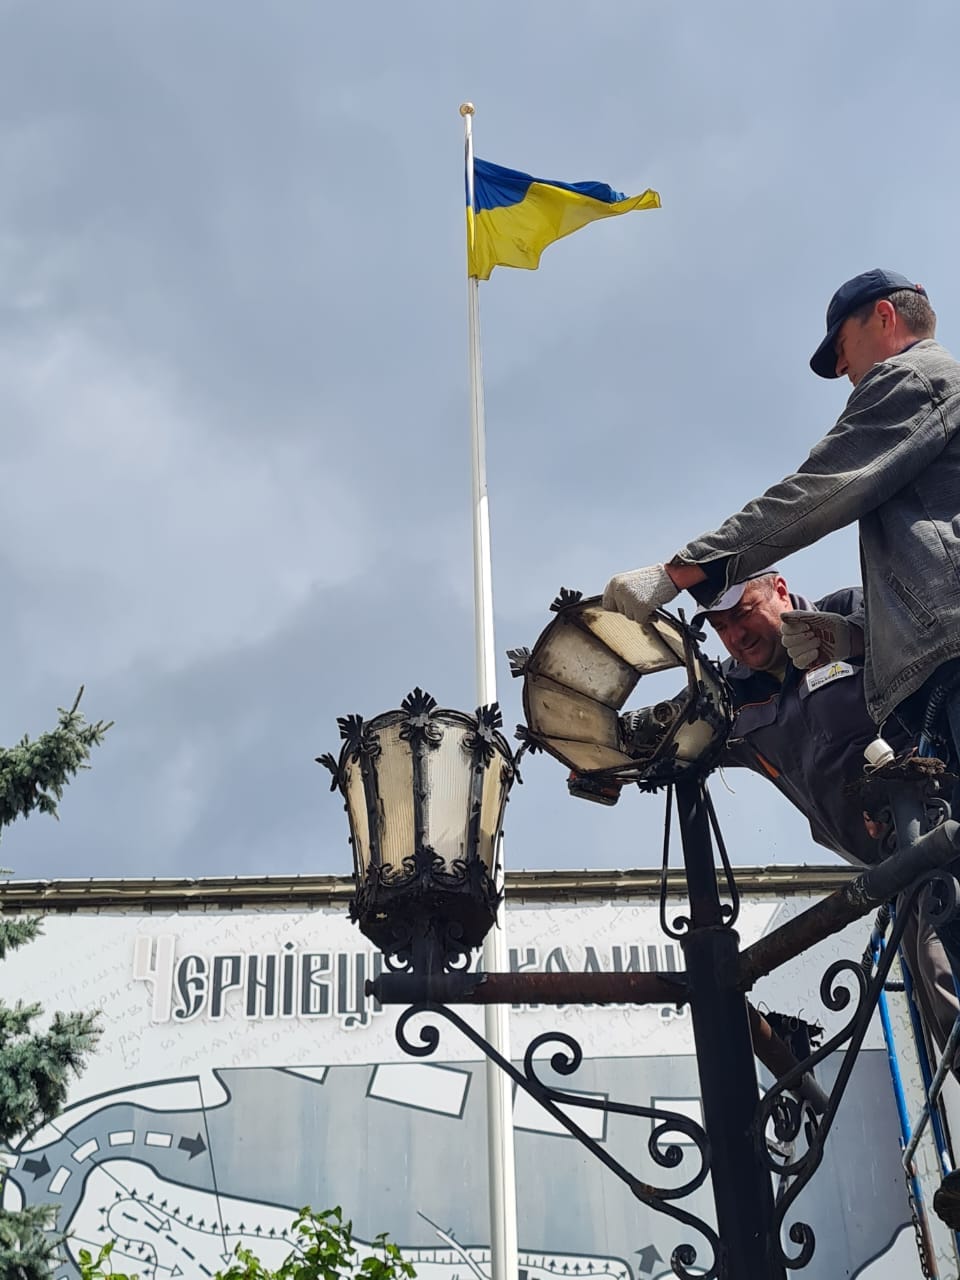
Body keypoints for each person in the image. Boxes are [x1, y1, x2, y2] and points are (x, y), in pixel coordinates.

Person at [601, 268, 960, 1224]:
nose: (844, 379)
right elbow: (663, 732)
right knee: (947, 938)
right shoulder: (743, 700)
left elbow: (826, 485)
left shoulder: (917, 380)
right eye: (716, 621)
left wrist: (691, 566)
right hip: (910, 784)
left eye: (841, 354)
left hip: (947, 693)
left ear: (884, 320)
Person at [691, 566, 958, 1065]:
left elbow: (941, 668)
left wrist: (909, 780)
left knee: (940, 963)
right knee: (935, 996)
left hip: (942, 821)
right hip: (890, 869)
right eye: (720, 626)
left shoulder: (856, 613)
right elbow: (674, 736)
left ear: (780, 591)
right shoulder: (729, 698)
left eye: (743, 614)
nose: (734, 636)